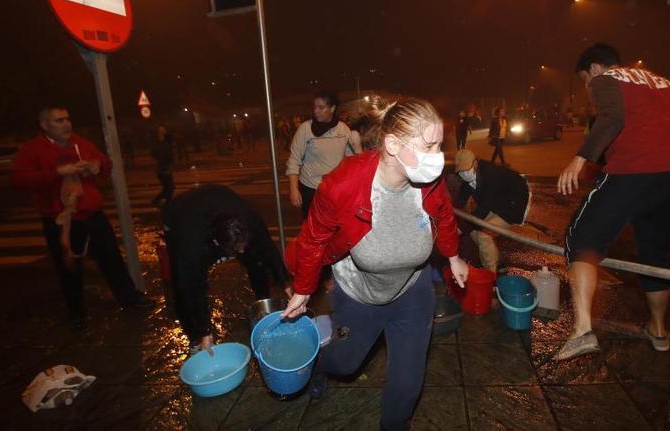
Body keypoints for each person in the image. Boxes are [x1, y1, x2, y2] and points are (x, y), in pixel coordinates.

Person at [282, 98, 469, 431]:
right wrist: (302, 290)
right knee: (345, 361)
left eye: (440, 145)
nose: (438, 157)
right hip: (358, 295)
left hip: (412, 292)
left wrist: (453, 255)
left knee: (408, 383)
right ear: (393, 144)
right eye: (429, 146)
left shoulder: (431, 182)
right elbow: (313, 240)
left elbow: (444, 214)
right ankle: (319, 367)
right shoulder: (341, 186)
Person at [555, 43, 670, 360]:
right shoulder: (659, 81)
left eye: (585, 79)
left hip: (632, 173)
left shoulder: (606, 78)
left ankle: (582, 330)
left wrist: (580, 159)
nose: (588, 88)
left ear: (595, 68)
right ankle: (657, 330)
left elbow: (612, 116)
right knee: (654, 253)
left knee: (582, 238)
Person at [12, 106, 151, 330]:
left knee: (111, 258)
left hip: (93, 215)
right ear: (45, 125)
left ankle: (129, 297)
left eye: (67, 119)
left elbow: (105, 163)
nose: (66, 124)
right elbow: (19, 180)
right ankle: (76, 312)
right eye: (59, 121)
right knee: (69, 266)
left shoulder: (80, 143)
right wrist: (58, 173)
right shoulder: (32, 149)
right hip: (62, 220)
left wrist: (97, 166)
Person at [162, 184, 292, 354]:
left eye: (242, 246)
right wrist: (204, 331)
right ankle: (194, 337)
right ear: (217, 243)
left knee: (255, 258)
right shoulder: (192, 243)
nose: (241, 252)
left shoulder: (250, 220)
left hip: (220, 198)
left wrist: (286, 284)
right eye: (236, 250)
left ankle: (262, 305)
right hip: (179, 216)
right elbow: (194, 288)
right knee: (183, 283)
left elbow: (267, 250)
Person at [454, 148, 531, 272]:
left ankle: (491, 275)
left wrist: (461, 228)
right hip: (497, 203)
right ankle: (496, 262)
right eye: (460, 171)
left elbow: (483, 208)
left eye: (466, 169)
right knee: (474, 232)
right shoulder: (468, 179)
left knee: (483, 234)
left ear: (475, 163)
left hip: (512, 205)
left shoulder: (490, 174)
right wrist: (453, 220)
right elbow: (460, 201)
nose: (464, 174)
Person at [286, 90, 355, 217]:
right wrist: (293, 189)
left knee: (336, 229)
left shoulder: (343, 129)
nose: (316, 111)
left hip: (335, 190)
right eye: (315, 107)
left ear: (332, 108)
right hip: (311, 190)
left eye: (321, 107)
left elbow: (351, 160)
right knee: (313, 232)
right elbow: (294, 160)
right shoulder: (305, 129)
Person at [150, 125, 175, 207]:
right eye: (161, 130)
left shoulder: (168, 140)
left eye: (164, 129)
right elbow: (154, 153)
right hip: (162, 167)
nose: (163, 131)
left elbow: (170, 150)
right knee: (169, 187)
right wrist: (160, 159)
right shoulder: (157, 142)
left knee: (169, 187)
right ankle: (163, 201)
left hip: (167, 165)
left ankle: (165, 201)